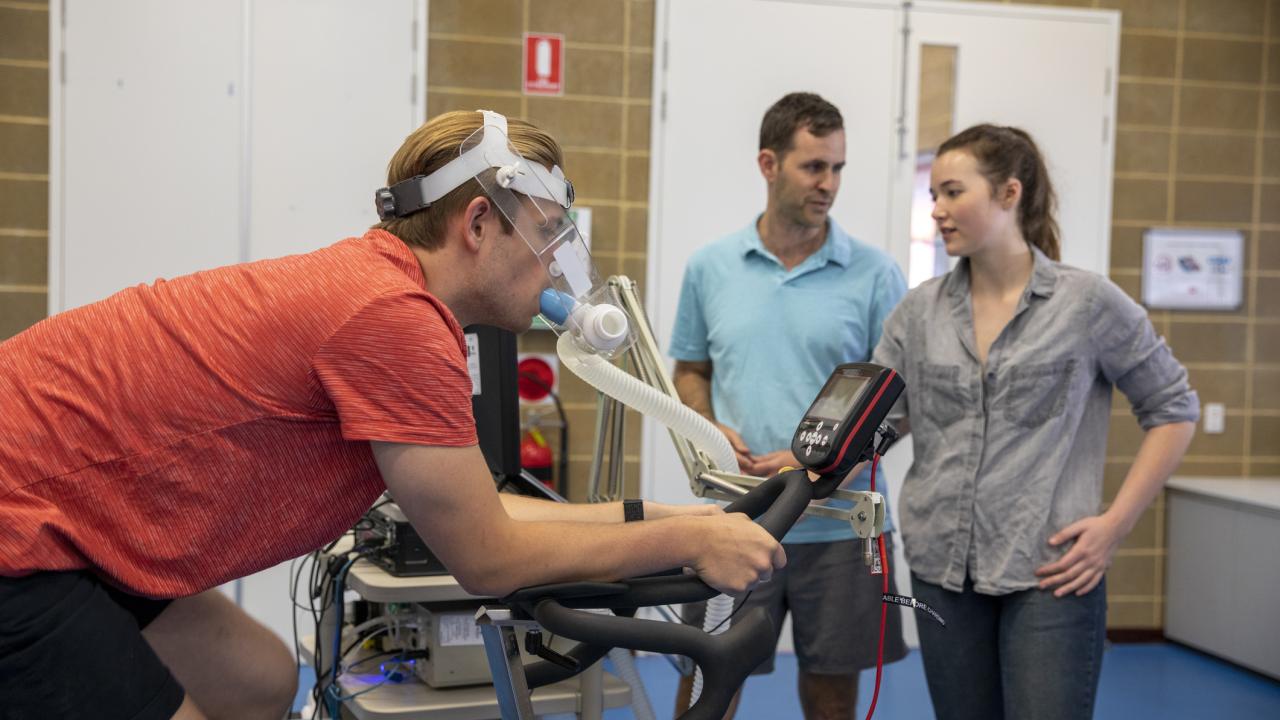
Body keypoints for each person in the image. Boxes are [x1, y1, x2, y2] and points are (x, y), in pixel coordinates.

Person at [0, 110, 786, 720]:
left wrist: (664, 517)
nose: (555, 265)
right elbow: (490, 557)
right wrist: (687, 539)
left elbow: (484, 510)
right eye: (548, 236)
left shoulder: (380, 287)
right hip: (21, 538)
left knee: (259, 680)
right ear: (477, 225)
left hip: (82, 527)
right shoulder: (394, 318)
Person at [872, 124, 1198, 720]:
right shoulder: (918, 313)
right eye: (934, 197)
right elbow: (880, 423)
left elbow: (1173, 409)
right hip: (943, 566)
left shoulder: (1087, 304)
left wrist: (1114, 525)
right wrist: (801, 459)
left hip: (1053, 572)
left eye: (951, 192)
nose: (938, 210)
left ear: (1008, 194)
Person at [669, 92, 908, 720]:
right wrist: (708, 426)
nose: (828, 184)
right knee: (706, 685)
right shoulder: (711, 267)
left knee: (832, 697)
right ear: (768, 163)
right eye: (813, 167)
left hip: (841, 528)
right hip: (734, 520)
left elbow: (898, 406)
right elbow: (689, 371)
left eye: (837, 169)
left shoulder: (876, 274)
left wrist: (829, 473)